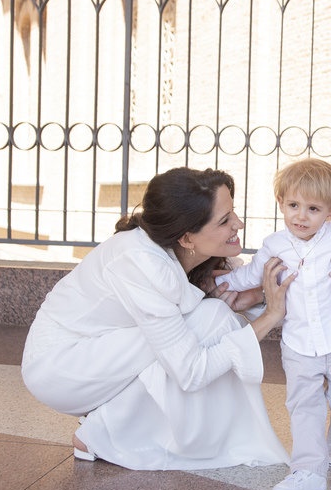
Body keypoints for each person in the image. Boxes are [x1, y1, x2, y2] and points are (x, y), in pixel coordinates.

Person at [20, 167, 300, 471]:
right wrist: (269, 316)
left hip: (105, 351)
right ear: (187, 237)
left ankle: (112, 424)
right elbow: (191, 372)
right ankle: (101, 433)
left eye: (233, 212)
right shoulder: (141, 262)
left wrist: (255, 298)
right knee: (210, 318)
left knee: (207, 318)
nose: (238, 224)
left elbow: (295, 310)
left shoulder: (206, 255)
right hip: (61, 367)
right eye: (224, 220)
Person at [215, 159, 331, 490]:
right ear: (281, 204)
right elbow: (251, 276)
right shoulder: (274, 245)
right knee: (304, 406)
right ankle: (307, 469)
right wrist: (218, 282)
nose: (301, 217)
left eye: (313, 209)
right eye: (293, 205)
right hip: (298, 344)